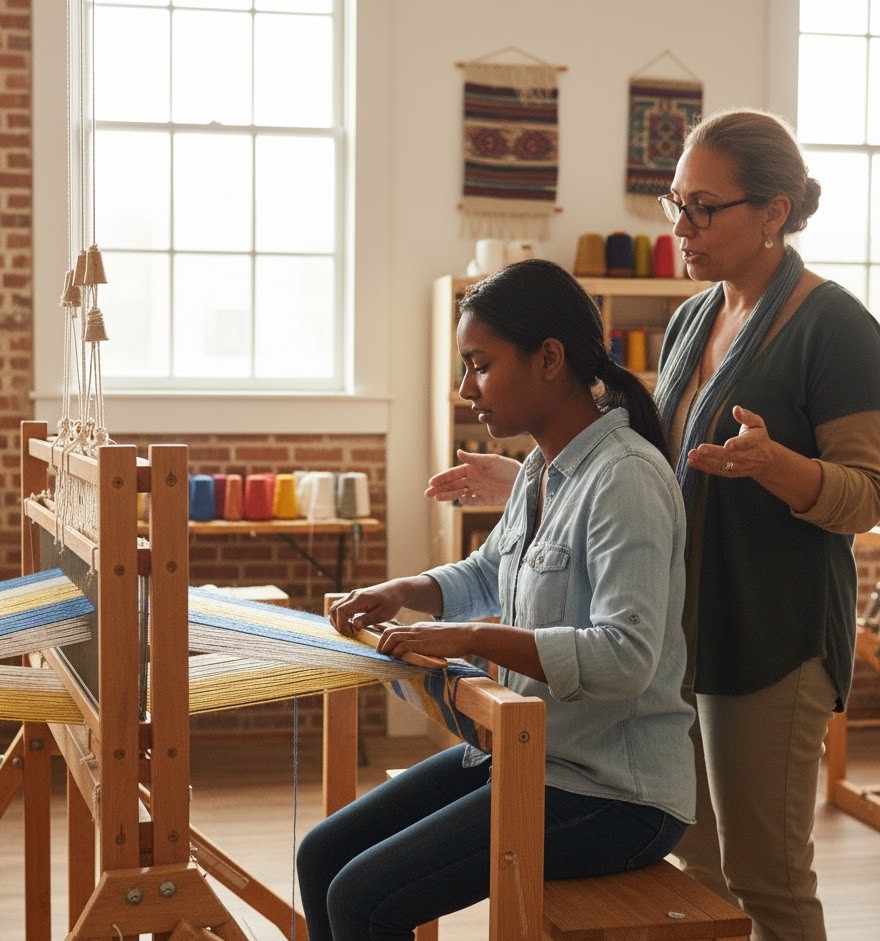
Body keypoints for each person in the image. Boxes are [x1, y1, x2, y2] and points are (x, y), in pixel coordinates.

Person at [425, 109, 880, 941]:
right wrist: (534, 477)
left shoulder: (835, 326)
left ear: (774, 211)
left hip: (771, 641)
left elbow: (868, 493)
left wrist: (776, 465)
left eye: (704, 208)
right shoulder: (691, 318)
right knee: (696, 873)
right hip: (681, 635)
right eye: (675, 203)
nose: (682, 226)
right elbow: (643, 467)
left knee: (767, 878)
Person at [297, 259, 696, 941]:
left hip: (613, 794)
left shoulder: (624, 479)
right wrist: (403, 591)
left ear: (548, 358)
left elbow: (627, 655)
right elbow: (488, 572)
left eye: (479, 365)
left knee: (363, 897)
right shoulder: (543, 469)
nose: (466, 387)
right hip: (524, 755)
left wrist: (474, 639)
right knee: (323, 855)